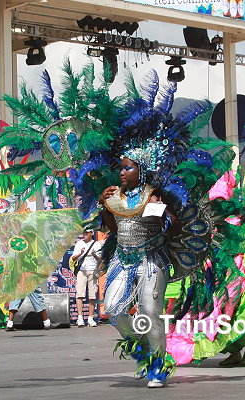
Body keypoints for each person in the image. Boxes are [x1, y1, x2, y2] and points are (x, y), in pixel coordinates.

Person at [100, 154, 180, 388]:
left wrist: (161, 209)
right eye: (121, 168)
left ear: (141, 171)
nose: (122, 172)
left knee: (150, 312)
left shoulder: (153, 195)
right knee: (113, 309)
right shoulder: (113, 195)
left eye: (128, 168)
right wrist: (102, 204)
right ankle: (142, 349)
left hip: (151, 259)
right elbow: (114, 229)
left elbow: (174, 229)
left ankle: (158, 366)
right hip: (122, 260)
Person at [71, 229, 102, 327]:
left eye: (86, 233)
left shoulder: (97, 244)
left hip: (93, 270)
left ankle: (90, 318)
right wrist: (80, 253)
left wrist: (94, 254)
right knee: (80, 294)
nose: (84, 234)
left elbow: (100, 260)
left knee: (92, 295)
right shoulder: (79, 243)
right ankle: (80, 318)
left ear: (91, 233)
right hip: (81, 271)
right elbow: (73, 258)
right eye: (83, 232)